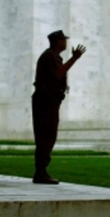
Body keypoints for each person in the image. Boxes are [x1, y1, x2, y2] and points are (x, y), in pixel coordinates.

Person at [31, 30, 86, 184]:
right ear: (57, 41)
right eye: (63, 40)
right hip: (45, 101)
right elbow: (57, 73)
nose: (66, 42)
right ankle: (40, 172)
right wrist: (74, 58)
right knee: (46, 135)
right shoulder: (50, 56)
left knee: (47, 135)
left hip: (49, 100)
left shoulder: (52, 56)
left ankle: (41, 171)